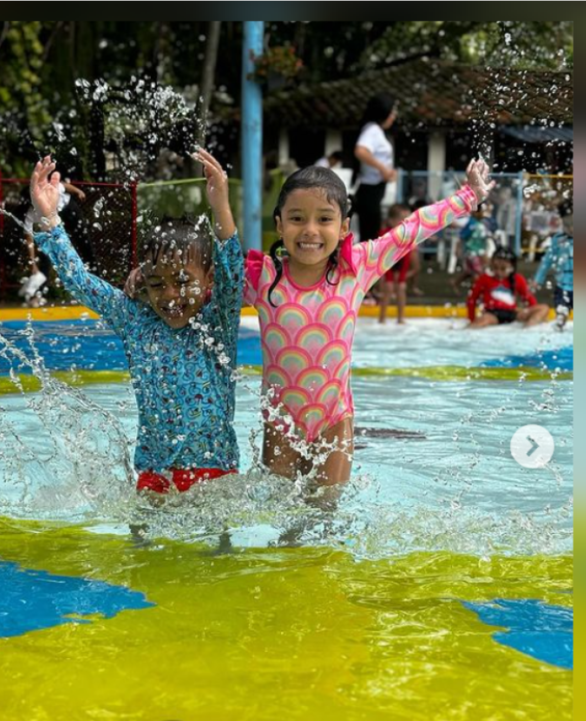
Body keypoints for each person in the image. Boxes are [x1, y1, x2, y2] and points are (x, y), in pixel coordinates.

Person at [206, 159, 494, 488]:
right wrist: (220, 206)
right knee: (277, 507)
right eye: (297, 218)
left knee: (326, 508)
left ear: (343, 227)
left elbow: (411, 230)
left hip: (334, 420)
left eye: (324, 219)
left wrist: (468, 196)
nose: (310, 230)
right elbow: (224, 273)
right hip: (281, 422)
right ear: (280, 225)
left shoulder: (356, 268)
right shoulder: (265, 276)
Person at [30, 150, 244, 494]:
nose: (170, 295)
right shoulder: (136, 323)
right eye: (157, 284)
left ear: (209, 279)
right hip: (154, 475)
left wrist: (220, 205)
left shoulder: (216, 324)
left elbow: (232, 271)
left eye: (182, 281)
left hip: (214, 471)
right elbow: (81, 282)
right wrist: (51, 220)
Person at [466, 247, 549, 328]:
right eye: (495, 268)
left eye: (503, 269)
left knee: (543, 308)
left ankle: (528, 329)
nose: (498, 272)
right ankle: (468, 331)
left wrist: (534, 316)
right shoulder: (484, 279)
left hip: (512, 313)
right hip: (492, 314)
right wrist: (471, 319)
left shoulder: (518, 279)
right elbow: (472, 299)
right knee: (484, 320)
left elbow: (528, 298)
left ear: (511, 268)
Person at [353, 93, 398, 243]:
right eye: (392, 113)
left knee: (371, 238)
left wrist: (388, 171)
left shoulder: (375, 130)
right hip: (370, 191)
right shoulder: (372, 130)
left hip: (373, 190)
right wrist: (383, 169)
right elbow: (360, 151)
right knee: (370, 240)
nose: (394, 117)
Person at [531, 199, 574, 331]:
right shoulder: (557, 240)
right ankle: (559, 325)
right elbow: (546, 261)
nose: (571, 228)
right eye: (567, 224)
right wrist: (537, 280)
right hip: (562, 286)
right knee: (561, 314)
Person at [377, 203, 421, 324]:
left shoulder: (408, 235)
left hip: (401, 262)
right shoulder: (384, 234)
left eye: (408, 219)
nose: (406, 223)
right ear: (391, 221)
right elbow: (383, 258)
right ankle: (382, 318)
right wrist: (388, 278)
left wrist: (401, 278)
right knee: (388, 287)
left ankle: (401, 318)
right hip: (386, 264)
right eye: (402, 220)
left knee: (401, 288)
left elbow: (406, 258)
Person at [452, 206, 495, 295]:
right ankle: (475, 291)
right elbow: (461, 237)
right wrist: (457, 249)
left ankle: (457, 283)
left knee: (470, 271)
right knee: (477, 272)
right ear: (474, 213)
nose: (482, 214)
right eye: (480, 212)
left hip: (480, 252)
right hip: (471, 252)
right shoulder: (471, 224)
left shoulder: (481, 223)